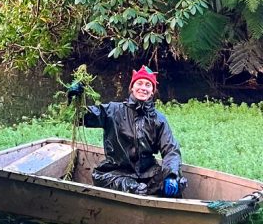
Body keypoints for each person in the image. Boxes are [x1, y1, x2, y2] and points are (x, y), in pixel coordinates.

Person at [67, 66, 187, 197]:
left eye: (148, 85)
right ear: (132, 87)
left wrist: (171, 175)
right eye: (139, 83)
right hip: (116, 172)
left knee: (178, 182)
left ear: (152, 91)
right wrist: (75, 99)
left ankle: (155, 193)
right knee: (114, 182)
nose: (143, 88)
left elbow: (170, 149)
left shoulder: (159, 120)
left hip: (148, 173)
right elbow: (79, 117)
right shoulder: (113, 111)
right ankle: (134, 189)